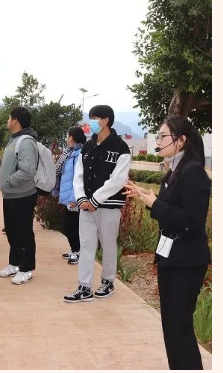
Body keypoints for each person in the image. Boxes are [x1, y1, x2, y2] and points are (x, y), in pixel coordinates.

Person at [124, 116, 211, 370]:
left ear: (181, 140)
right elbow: (169, 207)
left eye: (163, 136)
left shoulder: (193, 171)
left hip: (186, 261)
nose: (159, 141)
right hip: (171, 258)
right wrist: (145, 196)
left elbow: (193, 219)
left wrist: (155, 204)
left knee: (179, 326)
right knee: (171, 326)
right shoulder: (174, 169)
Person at [63, 105, 131, 301]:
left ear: (106, 120)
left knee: (108, 244)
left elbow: (118, 179)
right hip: (86, 207)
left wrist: (95, 199)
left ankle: (108, 281)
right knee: (86, 246)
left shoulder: (121, 148)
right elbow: (79, 175)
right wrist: (82, 198)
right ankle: (84, 286)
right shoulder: (88, 146)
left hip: (109, 206)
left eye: (94, 118)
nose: (91, 122)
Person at [0, 106, 40, 285]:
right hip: (11, 195)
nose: (7, 121)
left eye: (9, 118)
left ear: (15, 120)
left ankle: (26, 269)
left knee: (24, 233)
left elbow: (28, 170)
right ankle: (14, 264)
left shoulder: (25, 141)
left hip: (23, 195)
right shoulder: (14, 139)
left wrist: (7, 182)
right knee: (12, 232)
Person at [54, 127, 86, 265]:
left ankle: (77, 251)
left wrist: (74, 198)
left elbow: (78, 178)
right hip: (68, 195)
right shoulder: (69, 153)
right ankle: (74, 249)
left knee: (71, 226)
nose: (67, 138)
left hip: (74, 198)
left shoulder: (79, 155)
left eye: (68, 136)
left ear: (72, 137)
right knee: (68, 225)